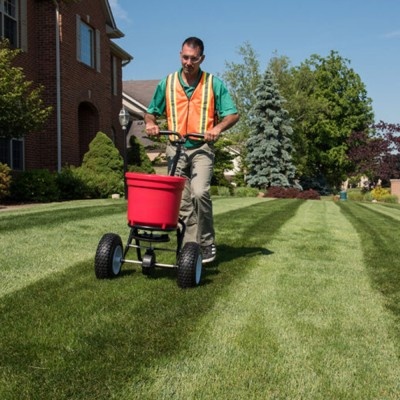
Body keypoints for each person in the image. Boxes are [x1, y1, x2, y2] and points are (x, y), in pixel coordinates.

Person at [145, 37, 239, 263]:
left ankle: (206, 242)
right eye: (185, 57)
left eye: (193, 59)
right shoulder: (167, 83)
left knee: (199, 193)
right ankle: (190, 247)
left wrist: (217, 128)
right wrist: (150, 123)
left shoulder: (213, 83)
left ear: (201, 59)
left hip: (201, 148)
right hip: (175, 148)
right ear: (180, 55)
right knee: (182, 201)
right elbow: (150, 111)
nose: (188, 62)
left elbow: (233, 114)